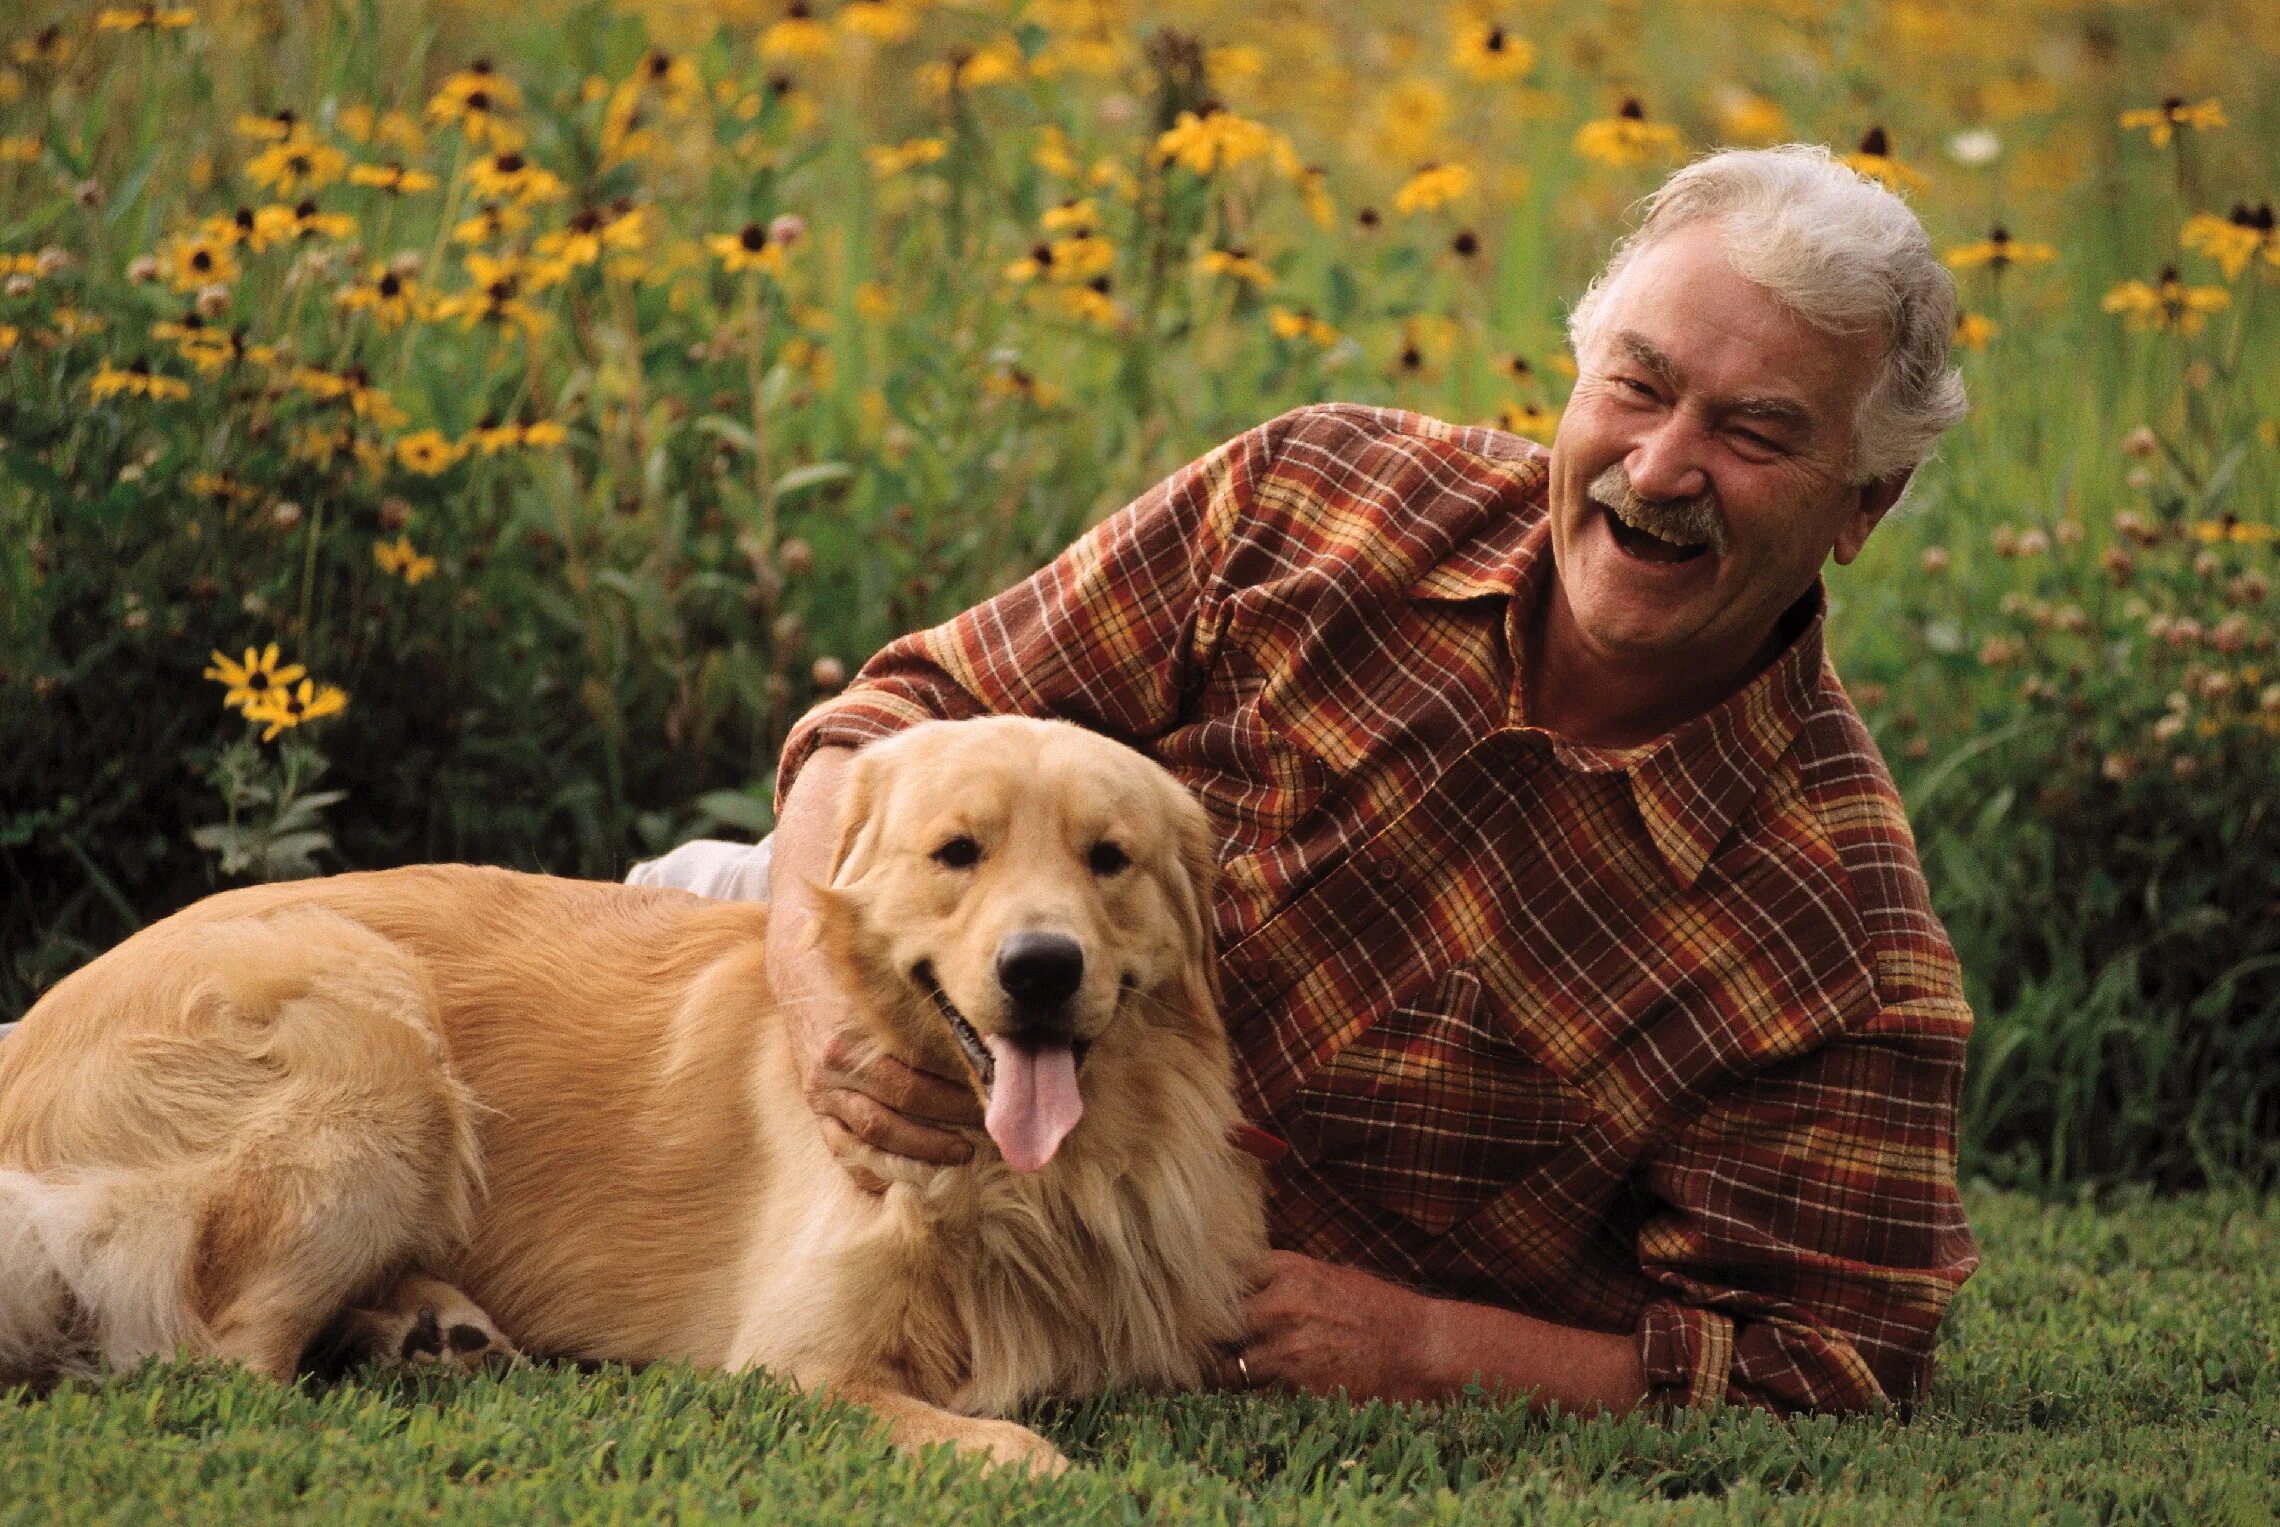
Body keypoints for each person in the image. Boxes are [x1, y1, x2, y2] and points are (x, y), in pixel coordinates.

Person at [630, 144, 1980, 1417]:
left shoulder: (1842, 947)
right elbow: (894, 716)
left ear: (1867, 501)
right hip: (972, 992)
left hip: (1164, 1259)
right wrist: (827, 1017)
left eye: (1755, 432)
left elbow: (1827, 1365)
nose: (1662, 466)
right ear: (1574, 379)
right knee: (635, 971)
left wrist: (1426, 1345)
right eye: (1637, 384)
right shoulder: (1318, 495)